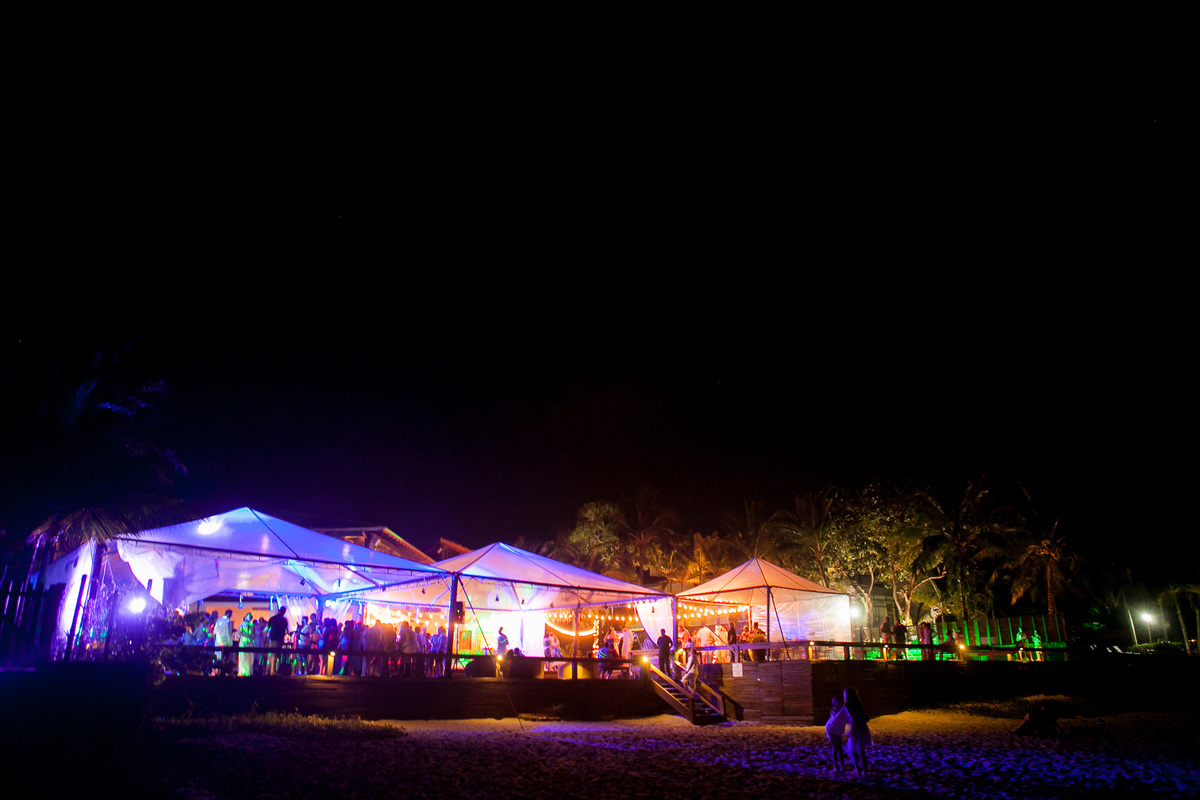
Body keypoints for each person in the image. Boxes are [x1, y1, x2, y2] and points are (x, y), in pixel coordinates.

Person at [843, 687, 872, 775]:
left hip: (855, 728)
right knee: (862, 751)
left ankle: (858, 771)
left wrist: (851, 730)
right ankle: (865, 771)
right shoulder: (860, 705)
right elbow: (867, 718)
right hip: (863, 727)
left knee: (853, 751)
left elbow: (852, 719)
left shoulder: (848, 706)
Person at [825, 694, 851, 772]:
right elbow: (835, 719)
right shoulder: (835, 710)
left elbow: (846, 718)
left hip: (837, 730)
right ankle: (836, 765)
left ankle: (842, 765)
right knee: (835, 747)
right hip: (831, 730)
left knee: (839, 748)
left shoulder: (842, 710)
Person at [267, 606, 289, 675]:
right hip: (279, 638)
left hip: (273, 637)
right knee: (276, 654)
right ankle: (273, 670)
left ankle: (269, 669)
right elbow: (286, 629)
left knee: (272, 654)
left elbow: (268, 627)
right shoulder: (284, 620)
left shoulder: (273, 618)